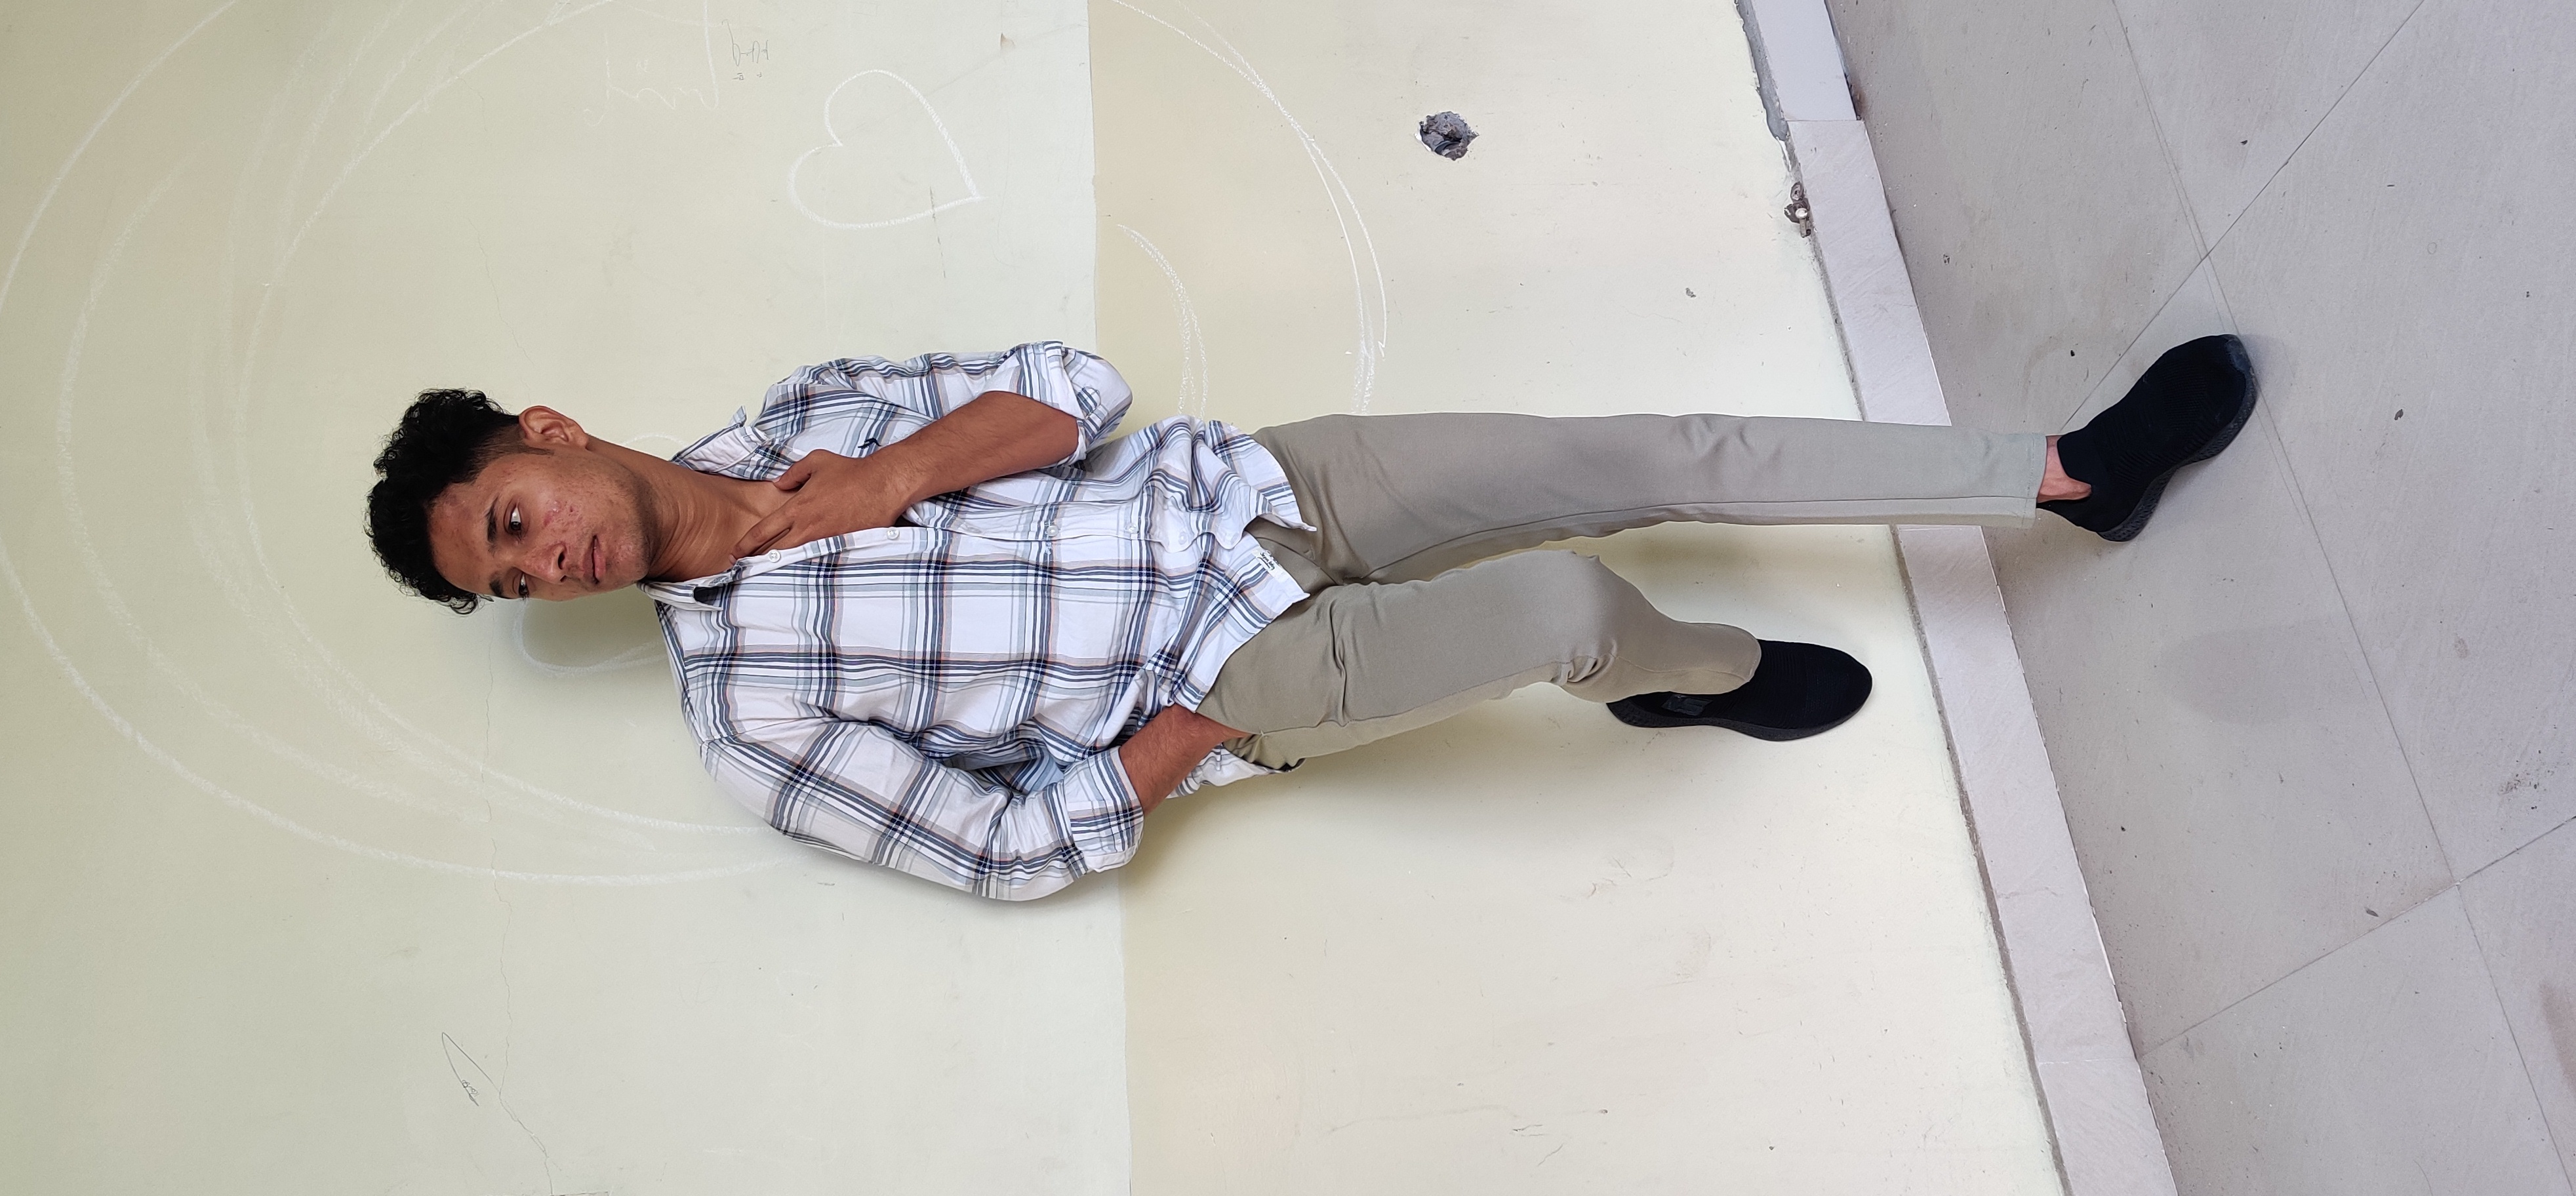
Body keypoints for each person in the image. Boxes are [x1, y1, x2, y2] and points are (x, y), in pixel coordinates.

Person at [365, 336, 2255, 899]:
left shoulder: (811, 412)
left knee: (1641, 449)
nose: (548, 569)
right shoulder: (748, 721)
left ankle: (2069, 474)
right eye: (511, 584)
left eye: (514, 524)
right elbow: (1002, 846)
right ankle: (1698, 677)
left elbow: (1071, 388)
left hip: (1260, 487)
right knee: (1580, 607)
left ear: (550, 434)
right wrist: (1207, 729)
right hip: (1227, 669)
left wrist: (888, 478)